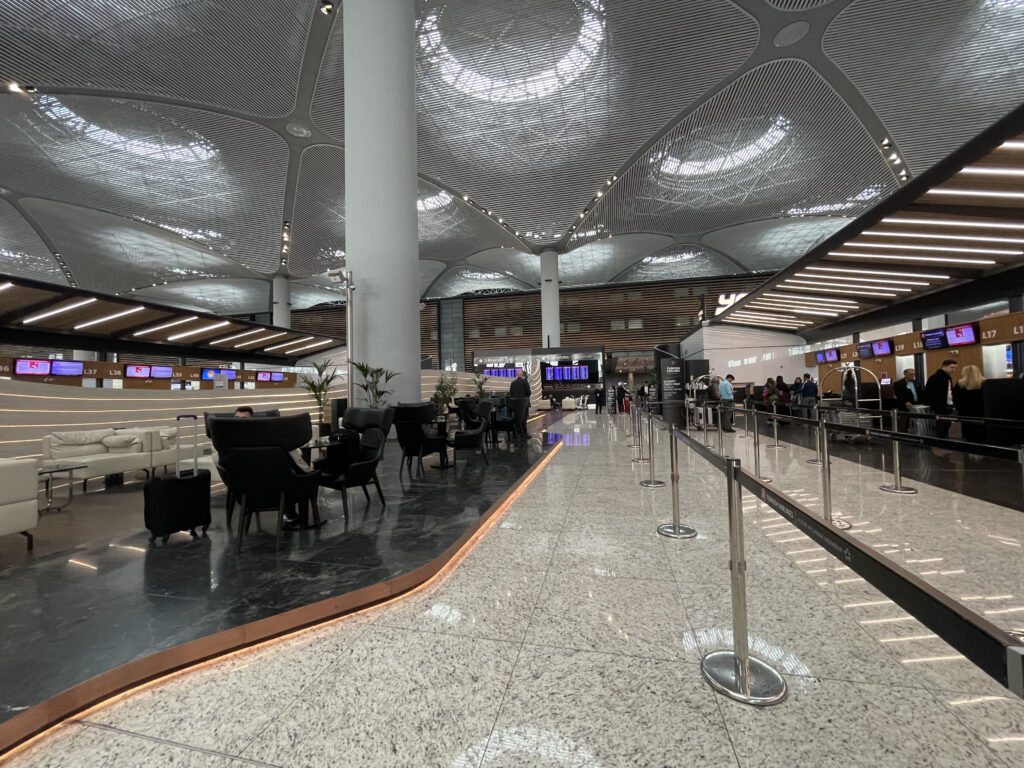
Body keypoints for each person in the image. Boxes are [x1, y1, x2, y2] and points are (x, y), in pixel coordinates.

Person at [234, 406, 312, 473]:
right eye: (237, 418)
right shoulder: (229, 438)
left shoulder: (264, 436)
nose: (239, 421)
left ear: (251, 420)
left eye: (244, 419)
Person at [924, 359, 958, 439]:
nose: (954, 370)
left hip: (947, 405)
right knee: (942, 425)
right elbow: (931, 394)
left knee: (946, 423)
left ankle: (943, 439)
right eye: (952, 367)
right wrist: (936, 408)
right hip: (940, 406)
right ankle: (941, 441)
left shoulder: (947, 378)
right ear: (944, 366)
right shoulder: (936, 378)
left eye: (955, 368)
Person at [952, 364, 986, 443]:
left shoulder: (959, 385)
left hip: (966, 415)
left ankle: (971, 453)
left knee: (969, 435)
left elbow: (956, 401)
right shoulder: (985, 384)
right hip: (982, 415)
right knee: (982, 435)